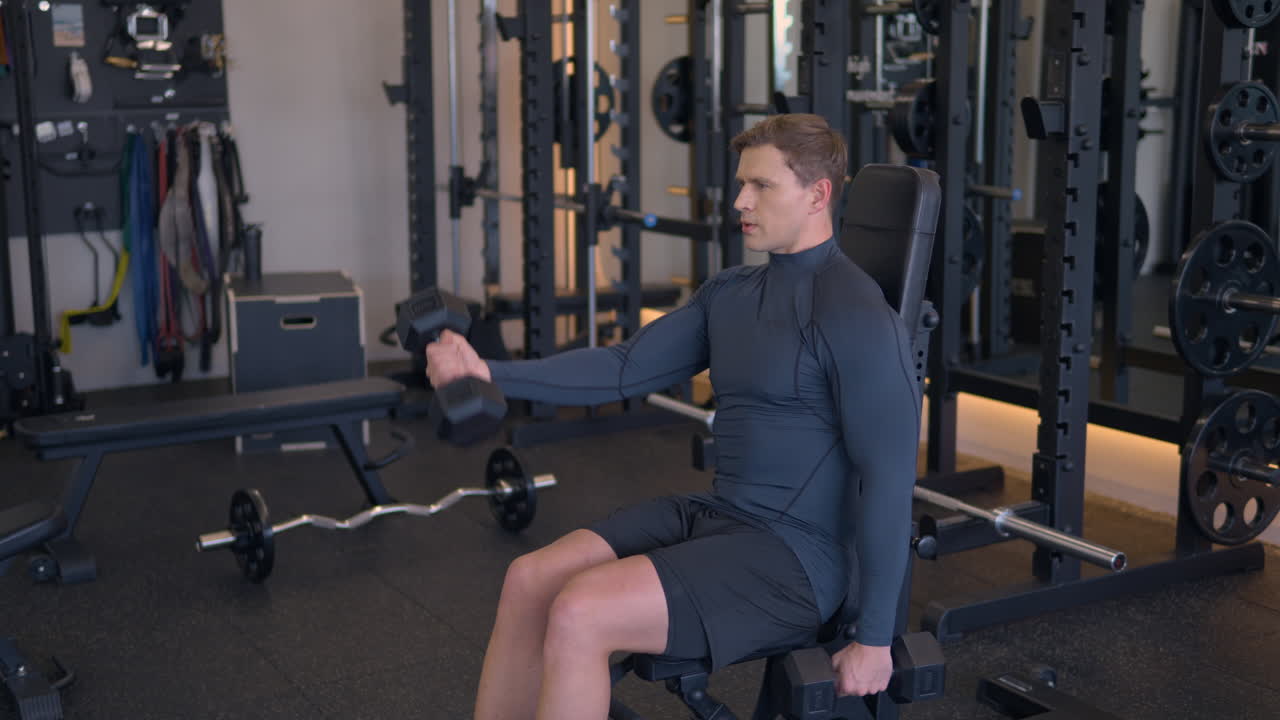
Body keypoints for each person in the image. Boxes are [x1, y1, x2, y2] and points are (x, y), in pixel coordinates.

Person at [426, 114, 921, 720]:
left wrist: (872, 638)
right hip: (721, 515)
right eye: (742, 183)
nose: (741, 200)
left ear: (818, 194)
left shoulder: (857, 313)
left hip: (797, 557)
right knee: (531, 579)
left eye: (761, 186)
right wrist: (485, 373)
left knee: (582, 610)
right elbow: (623, 367)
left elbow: (890, 479)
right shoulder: (731, 293)